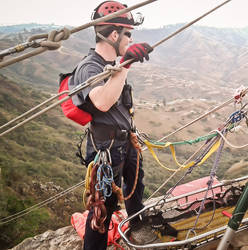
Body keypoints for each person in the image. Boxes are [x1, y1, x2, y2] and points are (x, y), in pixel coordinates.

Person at [71, 1, 153, 249]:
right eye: (127, 34)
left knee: (135, 189)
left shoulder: (112, 65)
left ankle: (138, 230)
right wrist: (125, 65)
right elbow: (102, 102)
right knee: (101, 212)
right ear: (114, 34)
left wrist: (123, 65)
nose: (129, 39)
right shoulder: (89, 67)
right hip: (106, 150)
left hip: (124, 142)